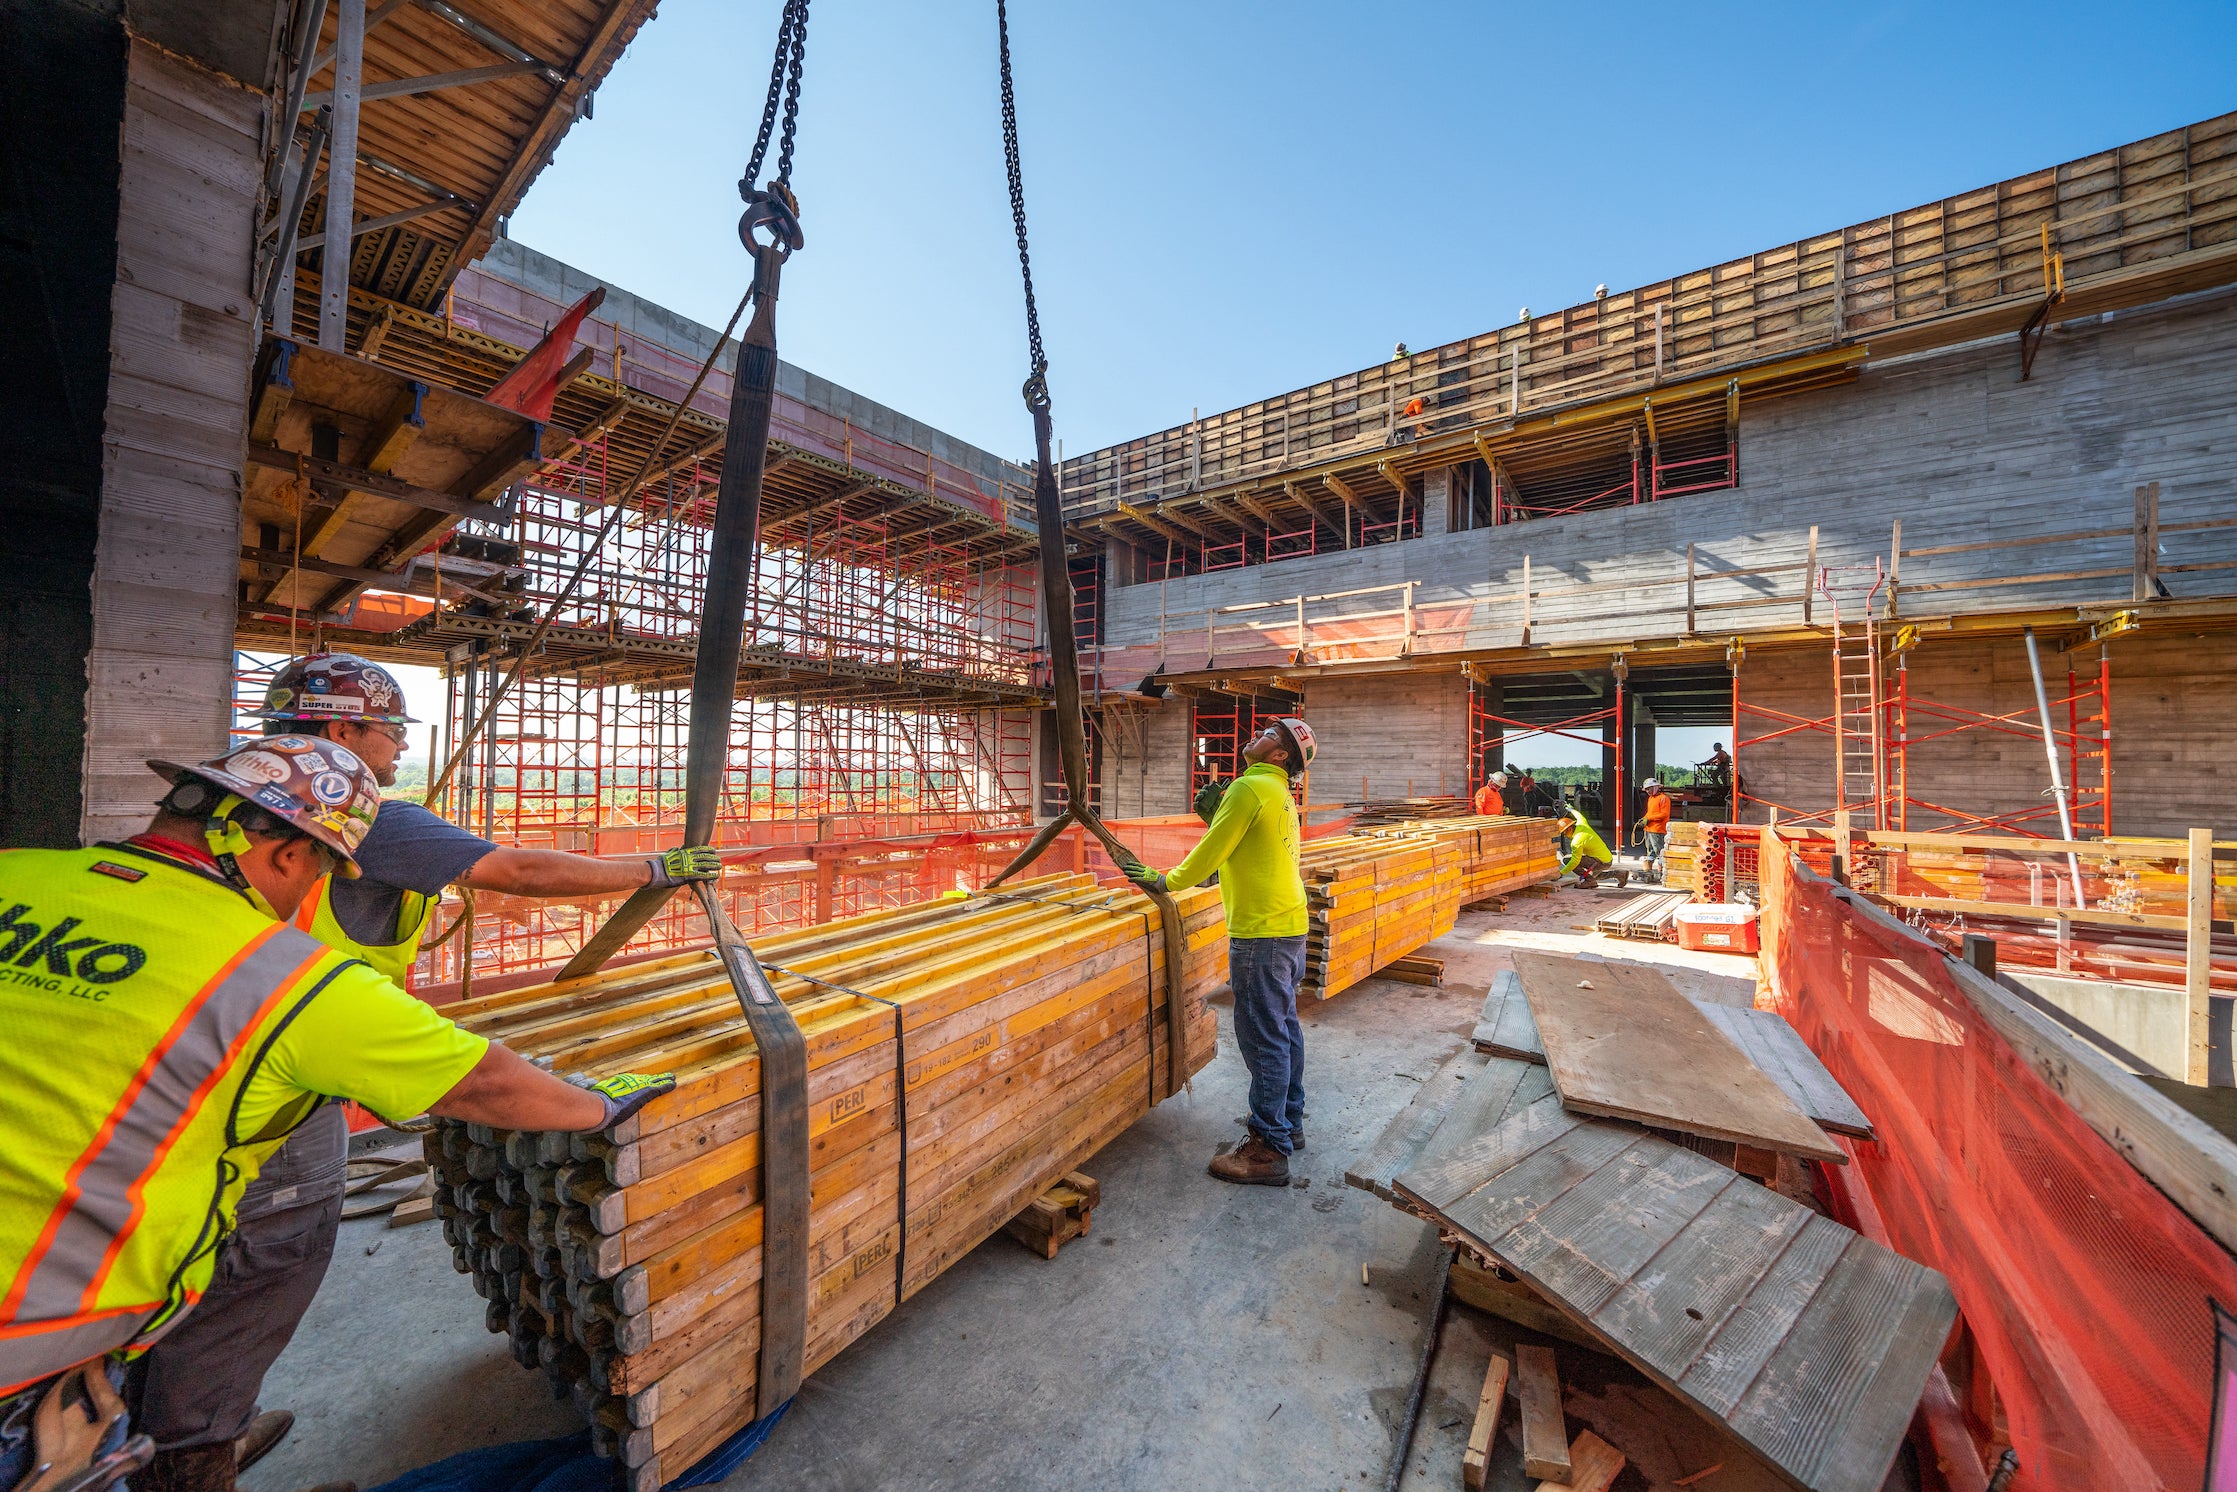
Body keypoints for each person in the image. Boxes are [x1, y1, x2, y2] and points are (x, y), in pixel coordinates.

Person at [0, 741, 671, 1492]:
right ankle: (190, 1463)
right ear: (289, 855)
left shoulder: (13, 872)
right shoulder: (272, 969)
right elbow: (483, 1081)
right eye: (322, 871)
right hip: (32, 1352)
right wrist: (602, 1104)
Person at [125, 653, 723, 1488]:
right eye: (388, 730)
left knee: (167, 1256)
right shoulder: (360, 815)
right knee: (263, 1266)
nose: (396, 747)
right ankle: (189, 1455)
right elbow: (514, 874)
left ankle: (162, 1427)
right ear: (339, 729)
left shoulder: (228, 797)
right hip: (281, 1071)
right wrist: (655, 869)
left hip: (169, 1064)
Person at [1126, 717, 1315, 1186]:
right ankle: (1289, 1123)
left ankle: (1267, 1149)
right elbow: (1250, 846)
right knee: (1284, 1028)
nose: (1259, 733)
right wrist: (1223, 817)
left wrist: (1164, 880)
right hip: (1289, 927)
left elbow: (1211, 852)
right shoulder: (1277, 795)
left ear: (1280, 756)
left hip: (1261, 934)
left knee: (1262, 1037)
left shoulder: (1249, 790)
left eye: (1271, 734)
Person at [1552, 805, 1615, 889]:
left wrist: (1561, 873)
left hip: (1600, 862)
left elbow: (1575, 862)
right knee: (1595, 875)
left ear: (1570, 829)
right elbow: (1579, 816)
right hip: (1607, 858)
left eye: (1564, 833)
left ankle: (1590, 881)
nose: (1565, 835)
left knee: (1568, 861)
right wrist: (1570, 809)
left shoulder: (1577, 841)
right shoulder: (1582, 824)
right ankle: (1620, 874)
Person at [1640, 778, 1673, 874]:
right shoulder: (1651, 799)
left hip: (1658, 829)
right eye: (1646, 789)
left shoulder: (1664, 798)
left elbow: (1664, 814)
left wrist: (1649, 818)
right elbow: (1649, 813)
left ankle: (1661, 871)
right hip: (1649, 828)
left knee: (1659, 851)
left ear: (1655, 788)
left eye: (1648, 789)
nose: (1647, 791)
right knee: (1650, 850)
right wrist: (1644, 818)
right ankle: (1648, 870)